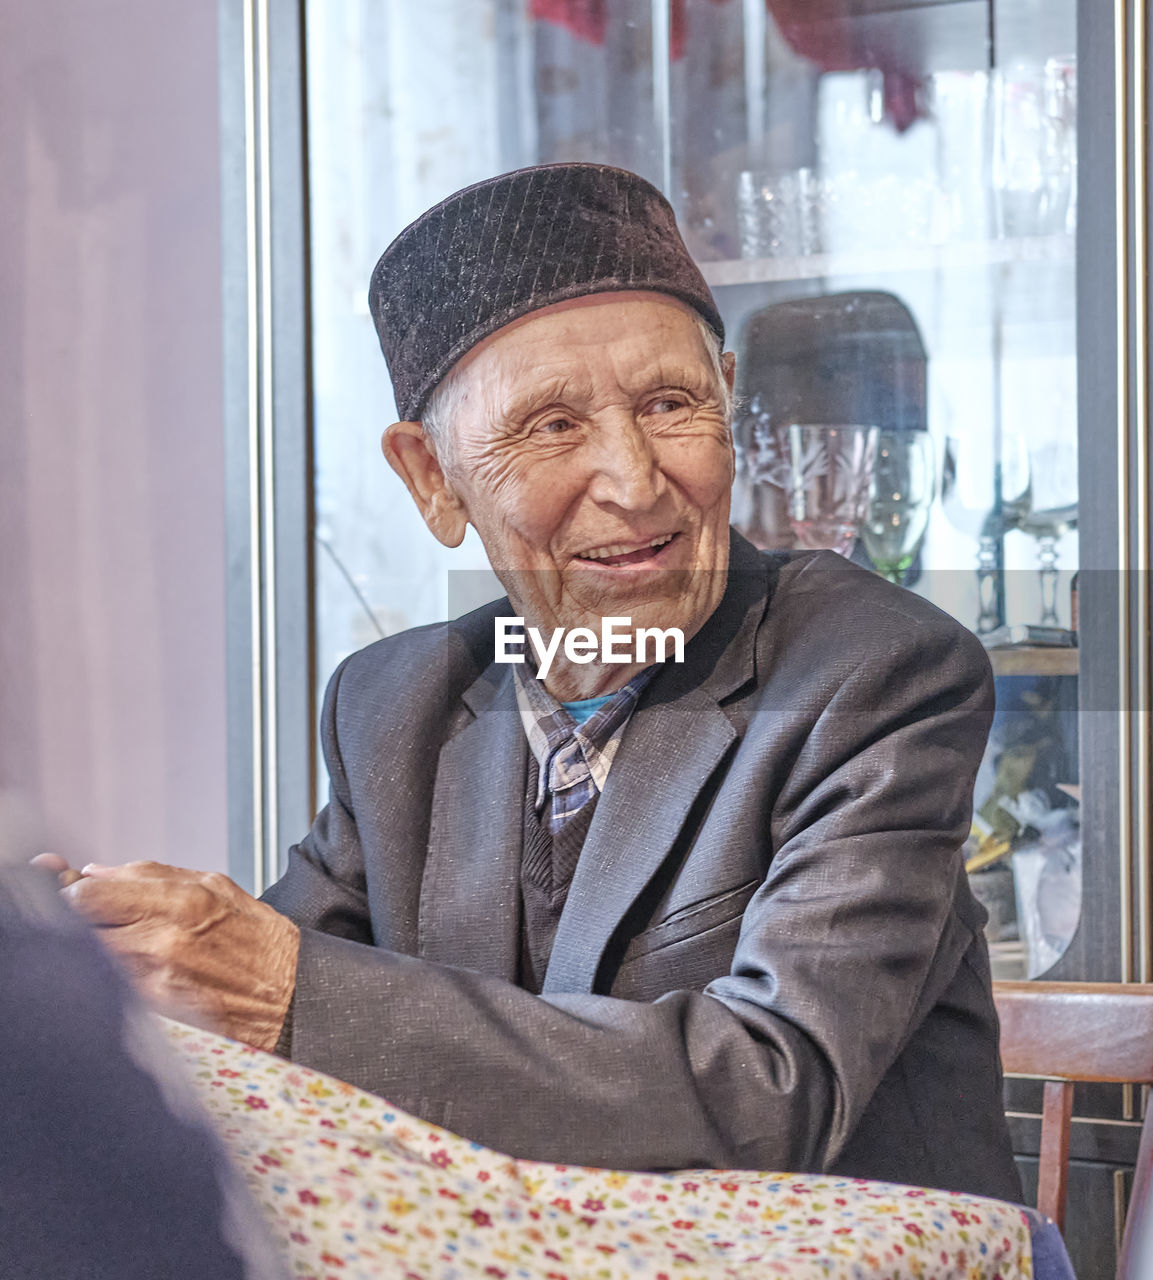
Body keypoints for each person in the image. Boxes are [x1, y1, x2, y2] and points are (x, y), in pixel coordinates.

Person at [44, 163, 1020, 1201]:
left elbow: (769, 1086)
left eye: (669, 403)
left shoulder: (873, 673)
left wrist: (281, 990)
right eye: (552, 425)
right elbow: (260, 1022)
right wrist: (104, 972)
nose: (636, 481)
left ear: (728, 401)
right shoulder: (398, 706)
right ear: (430, 477)